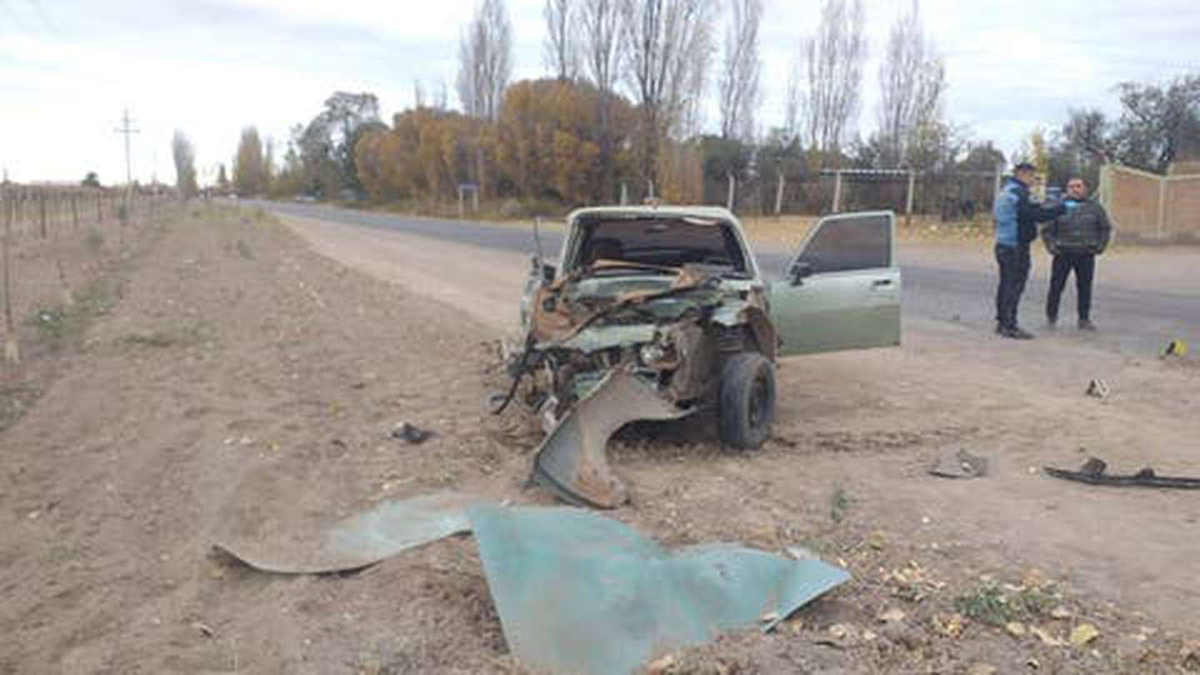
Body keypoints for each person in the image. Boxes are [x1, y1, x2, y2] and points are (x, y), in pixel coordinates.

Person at [992, 163, 1065, 339]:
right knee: (1014, 285)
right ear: (1023, 174)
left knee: (1005, 284)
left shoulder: (1006, 190)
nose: (1033, 180)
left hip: (1003, 243)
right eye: (1032, 176)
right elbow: (1034, 214)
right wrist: (1061, 209)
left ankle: (1002, 321)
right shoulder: (1019, 193)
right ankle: (1009, 325)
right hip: (1015, 245)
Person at [1041, 176, 1112, 331]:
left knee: (1085, 287)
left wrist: (1100, 246)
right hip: (1063, 253)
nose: (1075, 189)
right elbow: (1047, 230)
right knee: (1056, 286)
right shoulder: (1058, 207)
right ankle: (1051, 317)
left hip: (1086, 253)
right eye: (1071, 186)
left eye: (1078, 186)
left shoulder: (1095, 208)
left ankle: (1084, 319)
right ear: (1067, 189)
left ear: (1085, 188)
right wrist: (1052, 247)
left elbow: (1105, 228)